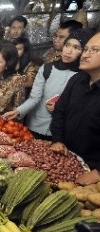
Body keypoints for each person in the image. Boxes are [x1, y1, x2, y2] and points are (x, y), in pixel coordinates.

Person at [3, 29, 93, 141]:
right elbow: (35, 98)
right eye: (67, 45)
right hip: (35, 125)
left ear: (83, 51)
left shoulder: (84, 76)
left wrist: (62, 108)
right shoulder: (47, 68)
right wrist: (18, 111)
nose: (68, 51)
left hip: (61, 133)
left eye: (76, 48)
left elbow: (83, 108)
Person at [50, 31, 100, 171]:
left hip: (91, 169)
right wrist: (58, 140)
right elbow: (59, 111)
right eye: (86, 49)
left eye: (94, 50)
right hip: (65, 157)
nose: (85, 54)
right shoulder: (77, 80)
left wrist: (98, 171)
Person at [13, 37, 39, 101]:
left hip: (23, 97)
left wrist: (12, 86)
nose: (15, 52)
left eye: (19, 49)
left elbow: (30, 83)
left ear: (25, 51)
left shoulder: (30, 65)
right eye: (14, 48)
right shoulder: (9, 61)